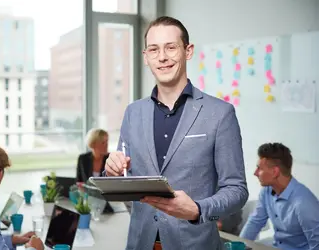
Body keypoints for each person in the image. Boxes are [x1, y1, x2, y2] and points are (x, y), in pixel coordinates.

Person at [105, 16, 248, 250]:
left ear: (187, 51)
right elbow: (124, 179)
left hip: (195, 244)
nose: (162, 57)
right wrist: (112, 172)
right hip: (141, 243)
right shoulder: (133, 112)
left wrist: (198, 210)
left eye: (171, 47)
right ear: (146, 57)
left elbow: (237, 190)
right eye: (154, 49)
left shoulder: (220, 114)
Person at [240, 143, 319, 250]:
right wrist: (238, 246)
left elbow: (316, 244)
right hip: (276, 246)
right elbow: (255, 222)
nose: (255, 173)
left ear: (275, 172)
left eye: (259, 168)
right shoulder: (266, 192)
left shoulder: (304, 203)